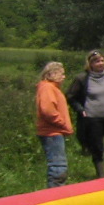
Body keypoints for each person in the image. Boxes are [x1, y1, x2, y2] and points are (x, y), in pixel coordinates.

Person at [35, 60, 73, 189]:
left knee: (59, 165)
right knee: (58, 167)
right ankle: (55, 194)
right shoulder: (47, 88)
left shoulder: (51, 88)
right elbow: (48, 110)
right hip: (52, 132)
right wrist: (62, 123)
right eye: (61, 73)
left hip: (55, 132)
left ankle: (58, 192)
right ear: (52, 73)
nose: (64, 76)